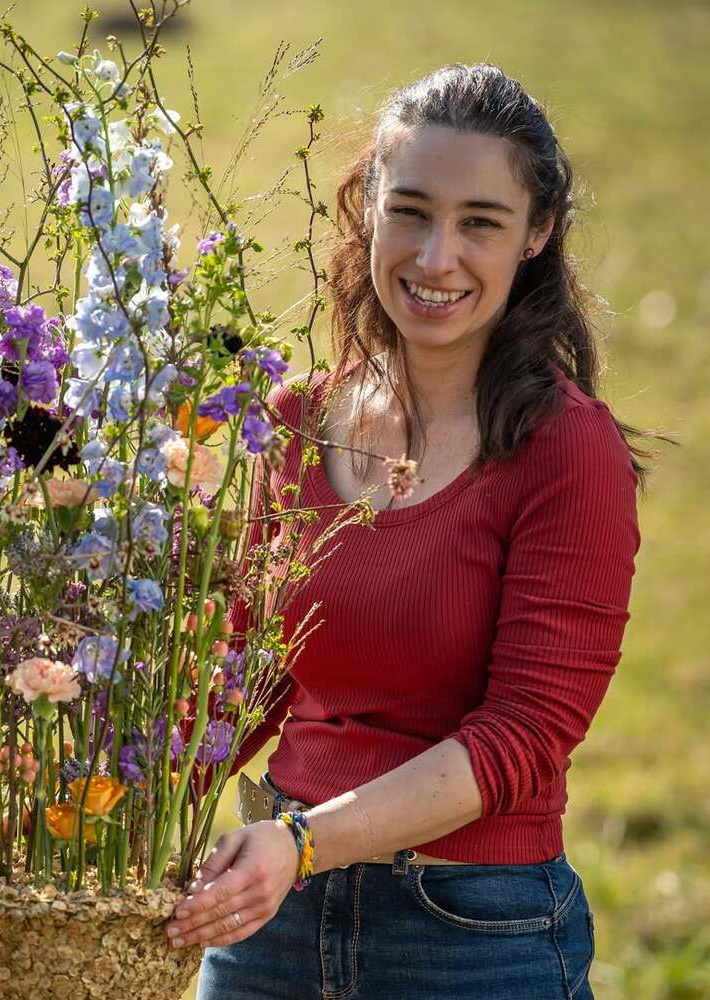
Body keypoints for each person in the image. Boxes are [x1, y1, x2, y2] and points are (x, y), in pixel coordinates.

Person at [165, 63, 661, 999]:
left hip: (473, 936)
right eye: (411, 211)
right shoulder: (297, 420)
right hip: (266, 921)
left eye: (481, 223)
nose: (436, 258)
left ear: (537, 233)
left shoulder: (568, 451)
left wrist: (302, 841)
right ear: (369, 209)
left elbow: (525, 738)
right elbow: (245, 676)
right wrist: (92, 790)